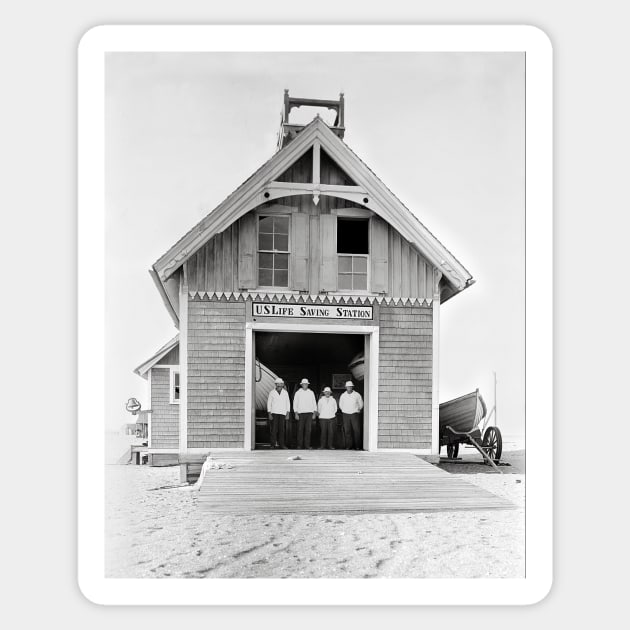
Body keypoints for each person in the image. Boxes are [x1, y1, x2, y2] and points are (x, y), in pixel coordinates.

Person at [293, 378, 317, 449]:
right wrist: (296, 413)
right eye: (303, 384)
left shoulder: (311, 392)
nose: (305, 385)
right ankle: (300, 445)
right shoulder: (298, 393)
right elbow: (295, 403)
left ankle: (307, 445)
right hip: (301, 413)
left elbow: (314, 403)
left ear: (308, 385)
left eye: (306, 384)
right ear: (301, 385)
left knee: (308, 430)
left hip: (309, 413)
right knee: (300, 430)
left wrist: (314, 413)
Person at [339, 380, 363, 450]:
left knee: (356, 430)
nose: (349, 388)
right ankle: (349, 446)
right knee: (347, 431)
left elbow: (361, 404)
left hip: (354, 414)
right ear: (346, 387)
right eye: (348, 387)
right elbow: (341, 405)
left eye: (350, 386)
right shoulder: (343, 395)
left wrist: (357, 410)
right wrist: (344, 410)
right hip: (346, 414)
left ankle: (357, 446)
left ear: (352, 387)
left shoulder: (357, 395)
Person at [267, 377, 290, 449]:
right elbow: (269, 403)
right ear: (276, 384)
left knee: (282, 430)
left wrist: (288, 413)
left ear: (282, 385)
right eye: (278, 384)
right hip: (274, 413)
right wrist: (269, 413)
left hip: (282, 413)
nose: (279, 385)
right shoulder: (272, 392)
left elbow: (288, 403)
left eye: (281, 384)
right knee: (274, 429)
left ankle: (282, 445)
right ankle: (272, 444)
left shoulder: (285, 393)